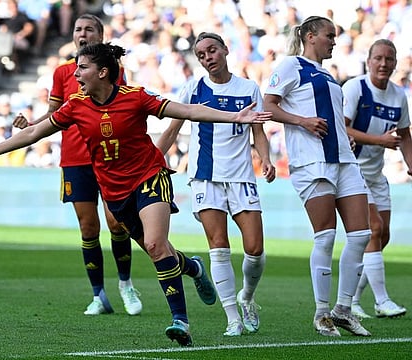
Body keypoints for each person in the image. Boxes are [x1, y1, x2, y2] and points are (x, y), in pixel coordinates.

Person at [0, 42, 270, 346]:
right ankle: (193, 267)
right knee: (157, 251)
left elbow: (187, 110)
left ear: (104, 72)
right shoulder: (75, 106)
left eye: (83, 68)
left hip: (150, 176)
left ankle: (181, 322)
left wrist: (235, 117)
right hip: (114, 191)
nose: (77, 75)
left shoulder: (135, 97)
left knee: (154, 243)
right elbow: (32, 132)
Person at [12, 14, 142, 316]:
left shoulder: (113, 71)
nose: (82, 34)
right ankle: (98, 294)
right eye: (78, 29)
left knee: (116, 223)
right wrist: (31, 125)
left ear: (100, 35)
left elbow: (117, 106)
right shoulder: (62, 73)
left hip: (109, 157)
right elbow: (54, 115)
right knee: (88, 227)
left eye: (89, 29)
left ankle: (126, 283)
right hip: (75, 157)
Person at [156, 32, 275, 337]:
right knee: (218, 247)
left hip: (241, 176)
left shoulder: (248, 88)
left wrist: (266, 159)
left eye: (212, 50)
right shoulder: (193, 88)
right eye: (201, 54)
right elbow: (173, 128)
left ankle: (246, 296)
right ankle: (232, 318)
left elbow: (258, 131)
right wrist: (153, 159)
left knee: (255, 249)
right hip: (205, 177)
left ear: (225, 50)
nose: (207, 57)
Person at [263, 16, 372, 337]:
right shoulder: (290, 66)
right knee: (325, 235)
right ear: (310, 37)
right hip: (312, 162)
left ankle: (343, 309)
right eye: (329, 35)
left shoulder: (328, 74)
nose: (334, 41)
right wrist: (302, 121)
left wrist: (343, 135)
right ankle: (321, 312)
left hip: (344, 159)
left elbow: (332, 116)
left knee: (361, 235)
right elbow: (267, 105)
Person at [342, 39, 411, 319]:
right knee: (374, 227)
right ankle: (382, 301)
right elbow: (342, 128)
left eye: (389, 59)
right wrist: (379, 141)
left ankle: (353, 301)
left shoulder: (398, 96)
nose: (384, 64)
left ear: (395, 63)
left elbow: (405, 134)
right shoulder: (355, 88)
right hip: (351, 169)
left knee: (382, 237)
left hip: (375, 173)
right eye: (378, 58)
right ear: (368, 61)